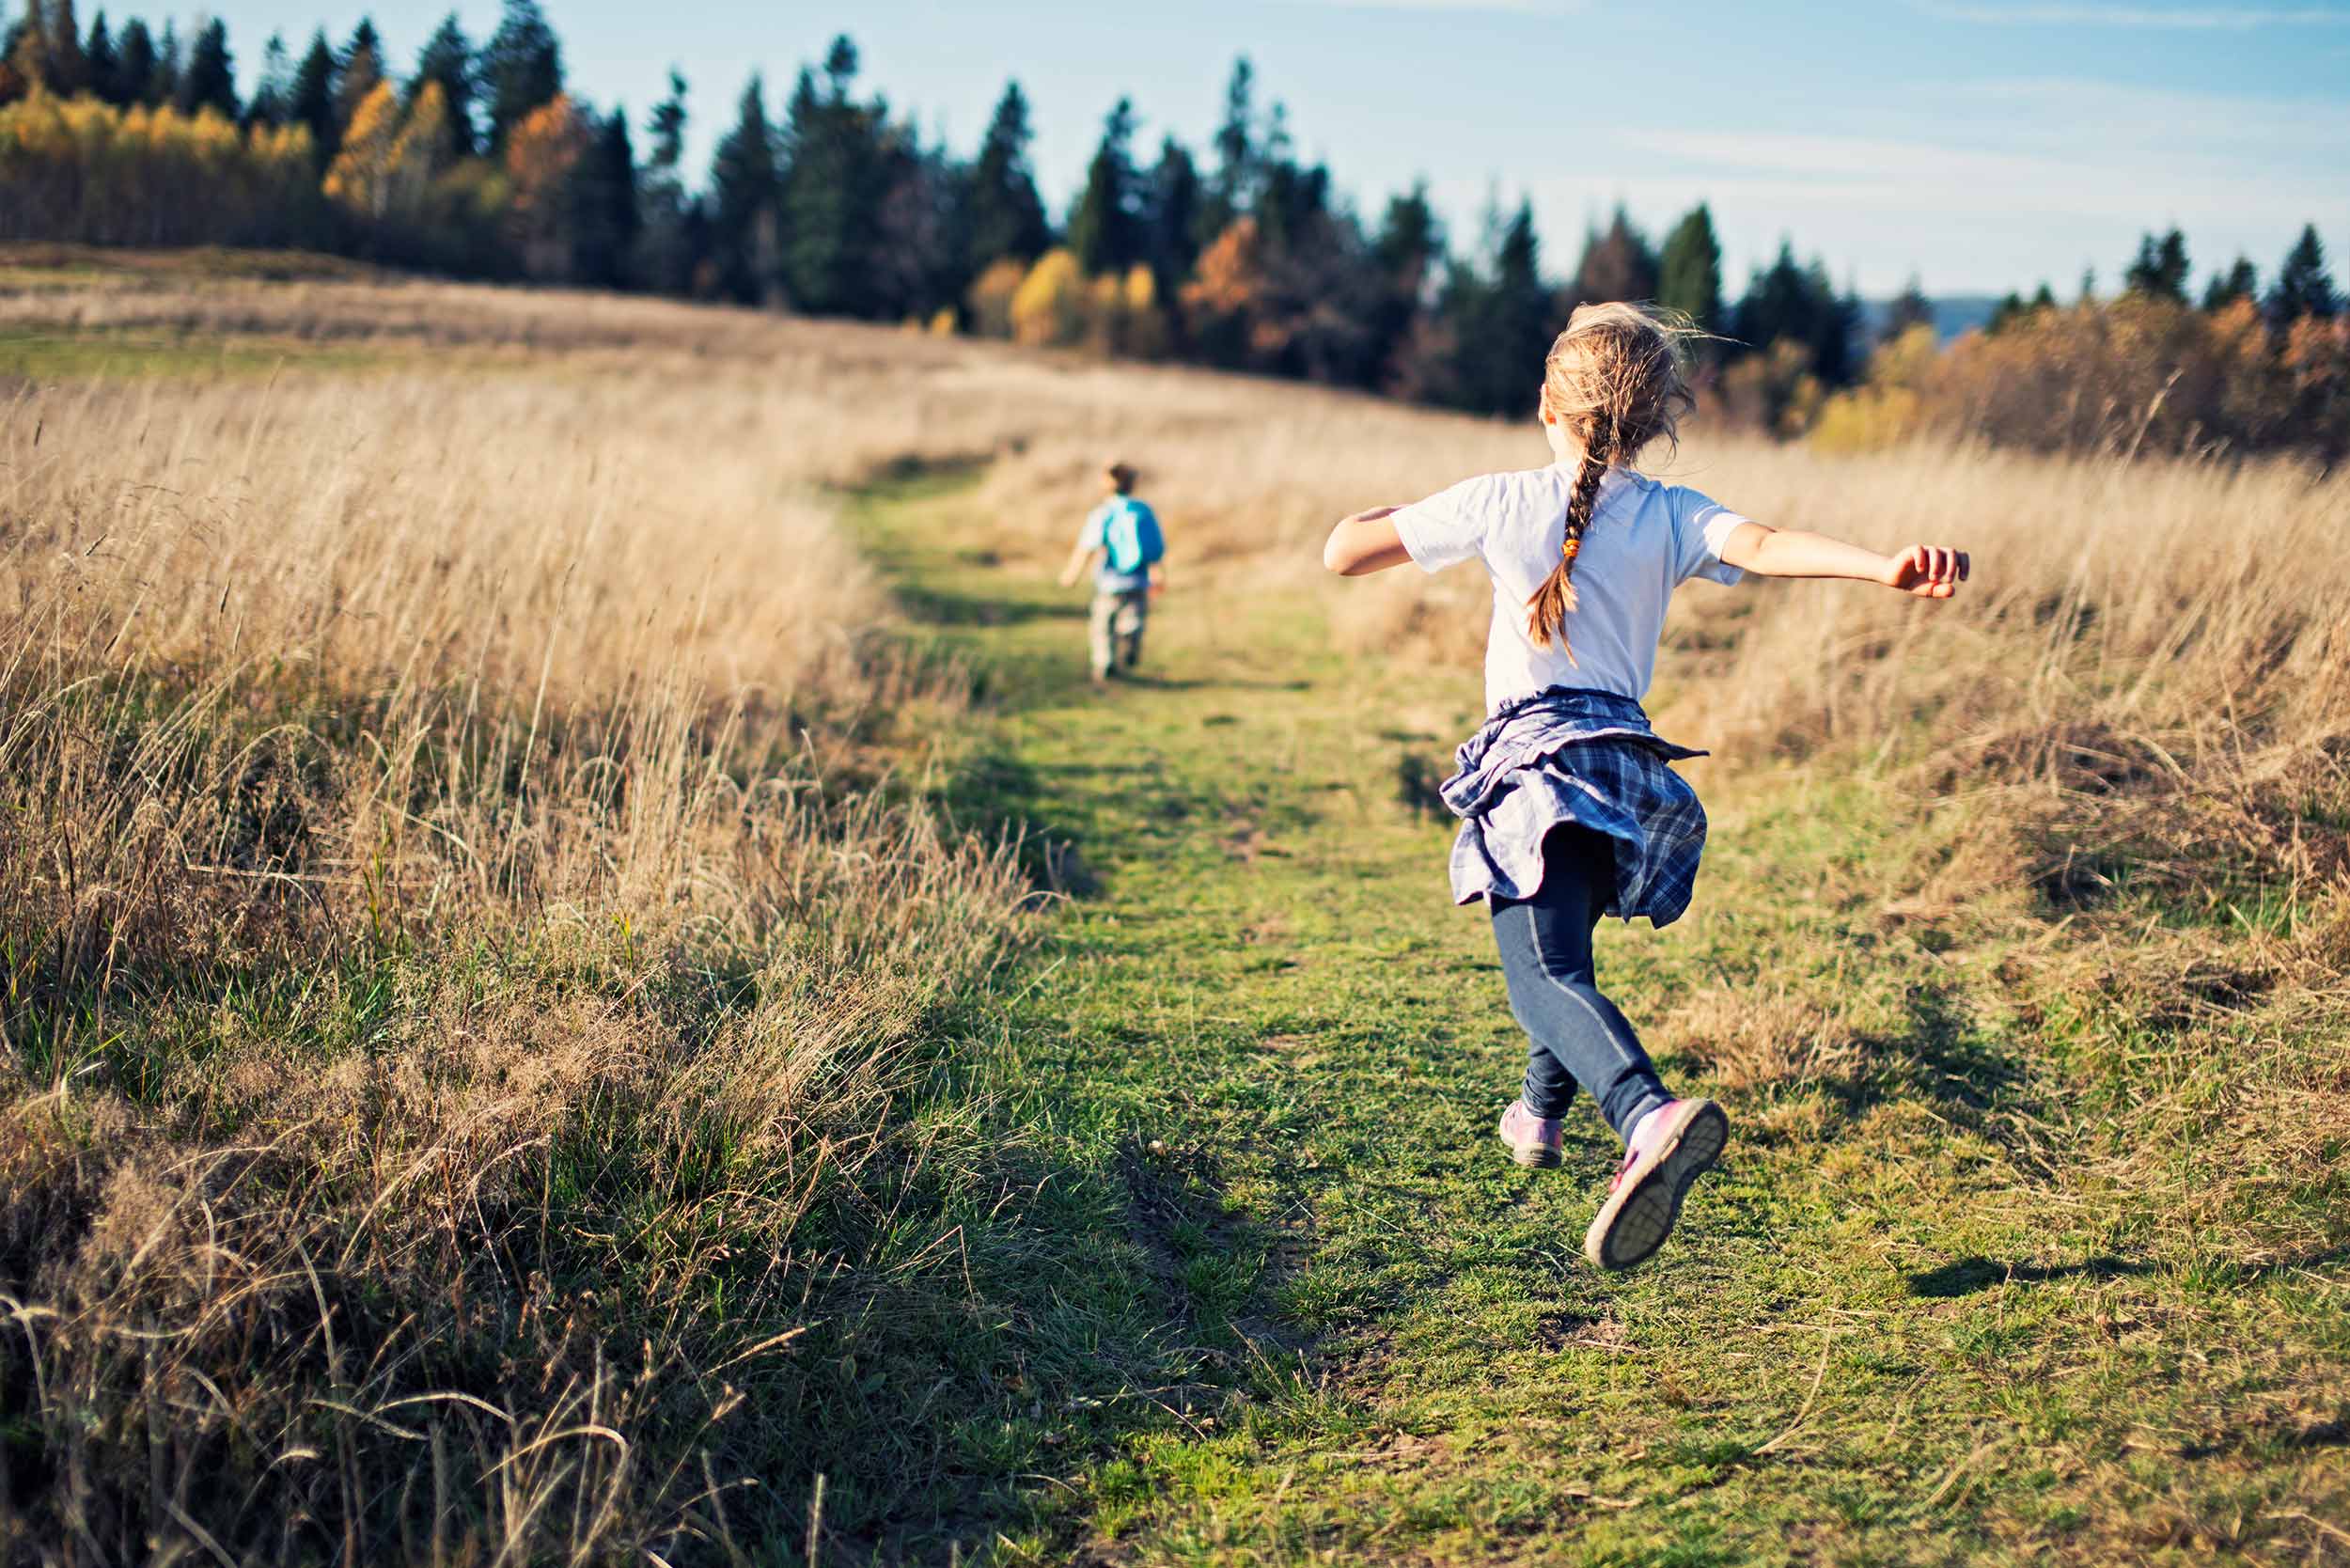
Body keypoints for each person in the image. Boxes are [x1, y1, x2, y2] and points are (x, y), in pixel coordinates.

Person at [1321, 303, 1968, 1270]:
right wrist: (1883, 569)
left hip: (1536, 763)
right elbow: (1767, 543)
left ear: (1547, 401)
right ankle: (1538, 1116)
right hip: (1621, 768)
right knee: (1564, 946)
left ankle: (1645, 1116)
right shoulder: (1672, 512)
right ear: (1654, 420)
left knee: (1541, 975)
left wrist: (1383, 514)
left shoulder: (1497, 499)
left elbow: (1341, 553)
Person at [1059, 461, 1167, 683]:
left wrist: (1072, 574)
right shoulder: (1143, 512)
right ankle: (1130, 636)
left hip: (1108, 583)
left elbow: (1086, 547)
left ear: (1106, 485)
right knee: (1134, 617)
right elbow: (1154, 549)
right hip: (1138, 581)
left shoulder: (1102, 513)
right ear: (1132, 485)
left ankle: (1104, 662)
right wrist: (1158, 573)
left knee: (1102, 625)